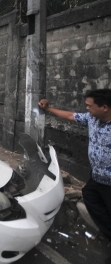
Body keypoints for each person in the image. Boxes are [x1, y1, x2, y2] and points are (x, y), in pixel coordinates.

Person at [39, 90, 111, 240]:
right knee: (90, 196)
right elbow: (71, 116)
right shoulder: (92, 119)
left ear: (104, 107)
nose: (87, 108)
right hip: (97, 177)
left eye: (89, 106)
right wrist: (48, 109)